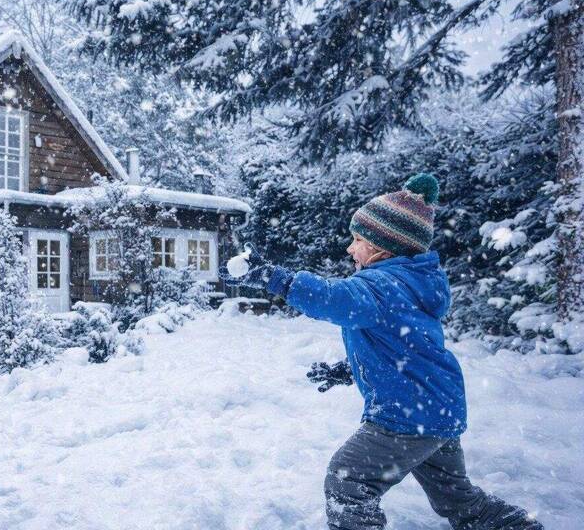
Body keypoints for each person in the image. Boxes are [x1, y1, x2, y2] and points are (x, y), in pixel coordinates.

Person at [220, 173, 542, 530]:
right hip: (438, 410)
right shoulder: (412, 284)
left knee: (348, 481)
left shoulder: (378, 285)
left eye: (357, 240)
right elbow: (404, 344)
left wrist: (274, 277)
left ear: (382, 248)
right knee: (456, 498)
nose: (350, 249)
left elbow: (333, 299)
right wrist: (351, 367)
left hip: (406, 415)